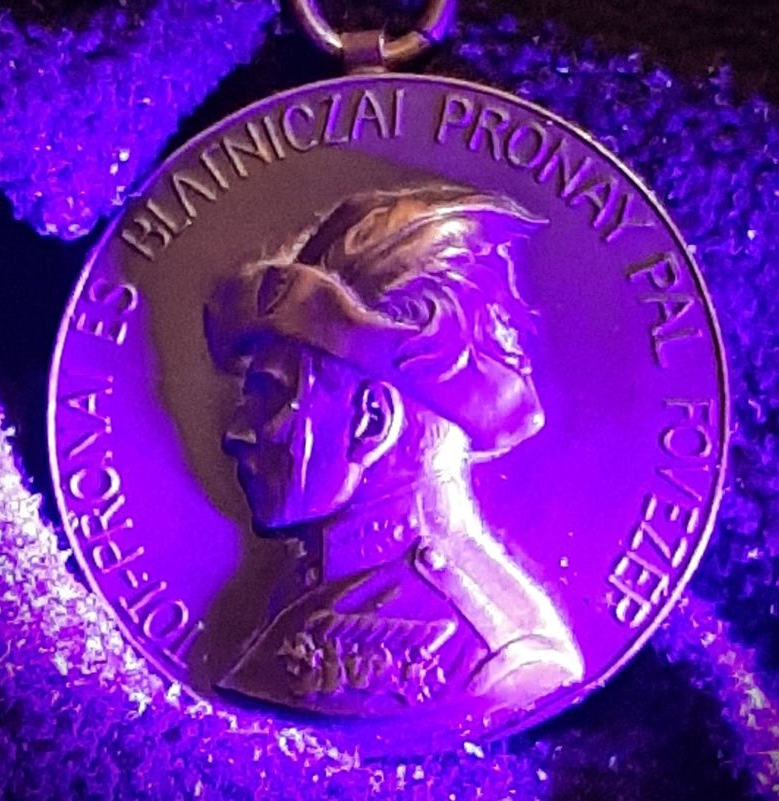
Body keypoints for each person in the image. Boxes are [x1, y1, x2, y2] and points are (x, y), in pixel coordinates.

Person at [204, 183, 584, 718]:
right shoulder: (314, 586)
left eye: (269, 395)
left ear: (371, 421)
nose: (236, 433)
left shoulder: (498, 655)